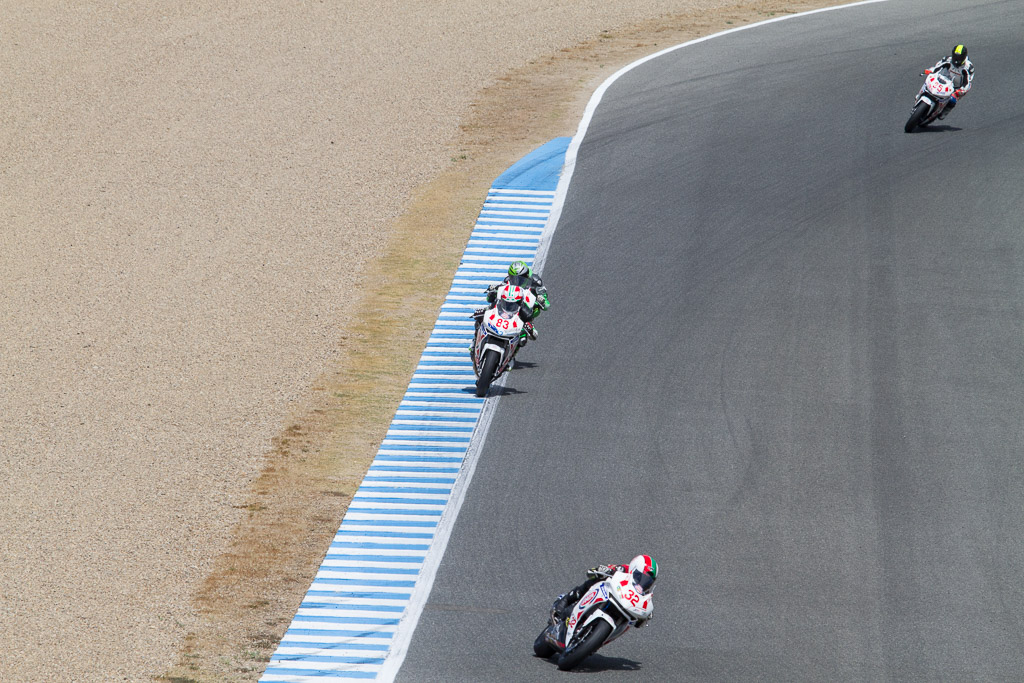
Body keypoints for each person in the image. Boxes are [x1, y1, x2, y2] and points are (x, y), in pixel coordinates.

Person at [550, 555, 658, 632]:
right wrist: (602, 570)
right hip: (609, 594)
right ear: (633, 568)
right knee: (596, 581)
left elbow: (640, 623)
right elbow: (592, 572)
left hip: (624, 606)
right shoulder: (623, 569)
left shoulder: (644, 593)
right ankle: (566, 600)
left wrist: (645, 615)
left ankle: (595, 638)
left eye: (648, 581)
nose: (643, 582)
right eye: (640, 576)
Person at [484, 260, 549, 344]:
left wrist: (541, 300)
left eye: (520, 278)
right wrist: (493, 290)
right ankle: (476, 340)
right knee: (484, 312)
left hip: (525, 310)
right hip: (509, 306)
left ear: (526, 275)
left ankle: (513, 352)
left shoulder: (536, 281)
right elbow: (496, 293)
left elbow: (547, 305)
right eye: (513, 278)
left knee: (522, 339)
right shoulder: (508, 280)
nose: (516, 281)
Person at [925, 44, 974, 120]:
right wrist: (930, 70)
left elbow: (967, 82)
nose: (957, 59)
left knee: (952, 99)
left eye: (959, 57)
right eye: (955, 56)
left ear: (964, 57)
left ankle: (945, 111)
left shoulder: (968, 67)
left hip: (956, 87)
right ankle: (919, 97)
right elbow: (938, 66)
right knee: (928, 83)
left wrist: (961, 90)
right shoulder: (947, 59)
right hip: (943, 79)